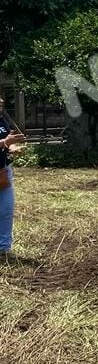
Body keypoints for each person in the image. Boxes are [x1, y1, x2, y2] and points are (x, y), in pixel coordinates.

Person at [0, 96, 26, 256]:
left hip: (3, 171)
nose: (1, 108)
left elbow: (9, 140)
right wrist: (4, 143)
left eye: (1, 105)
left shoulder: (2, 121)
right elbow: (4, 141)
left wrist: (13, 147)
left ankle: (4, 248)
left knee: (6, 210)